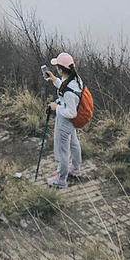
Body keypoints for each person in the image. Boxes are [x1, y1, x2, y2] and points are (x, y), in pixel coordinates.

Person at [45, 52, 84, 189]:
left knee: (62, 151)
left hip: (65, 122)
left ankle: (60, 180)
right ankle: (75, 169)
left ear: (61, 69)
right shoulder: (76, 80)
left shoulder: (68, 91)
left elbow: (71, 112)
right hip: (71, 124)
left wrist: (56, 108)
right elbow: (66, 88)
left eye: (57, 67)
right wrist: (55, 80)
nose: (57, 69)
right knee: (74, 144)